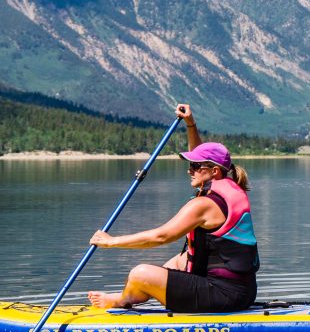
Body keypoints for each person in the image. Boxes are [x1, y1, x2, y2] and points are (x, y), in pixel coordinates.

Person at [86, 103, 260, 312]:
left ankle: (121, 300)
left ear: (214, 171)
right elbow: (201, 154)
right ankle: (127, 296)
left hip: (224, 295)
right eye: (190, 165)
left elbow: (161, 237)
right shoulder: (225, 187)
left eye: (195, 166)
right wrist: (190, 125)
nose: (190, 171)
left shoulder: (204, 204)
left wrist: (111, 242)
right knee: (179, 261)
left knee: (140, 273)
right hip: (243, 291)